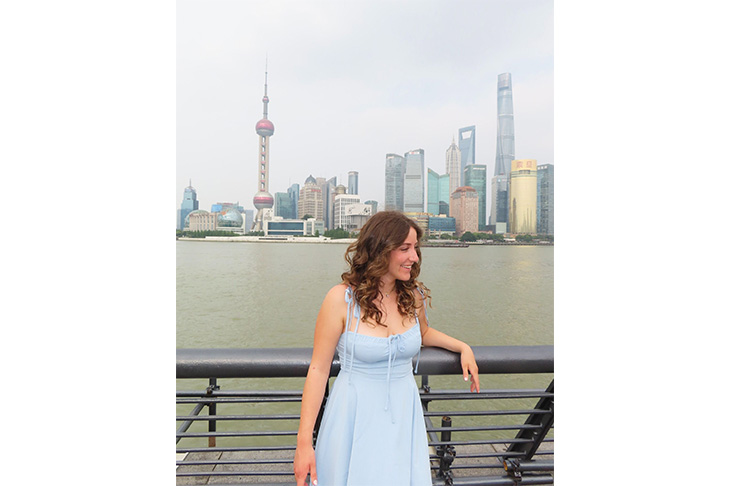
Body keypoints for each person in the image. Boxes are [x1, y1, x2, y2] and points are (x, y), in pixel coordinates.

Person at [294, 211, 480, 486]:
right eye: (404, 248)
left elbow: (423, 333)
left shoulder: (412, 296)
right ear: (380, 249)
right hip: (353, 416)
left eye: (415, 247)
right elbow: (319, 369)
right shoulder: (341, 299)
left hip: (404, 414)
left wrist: (462, 347)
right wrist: (303, 443)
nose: (414, 257)